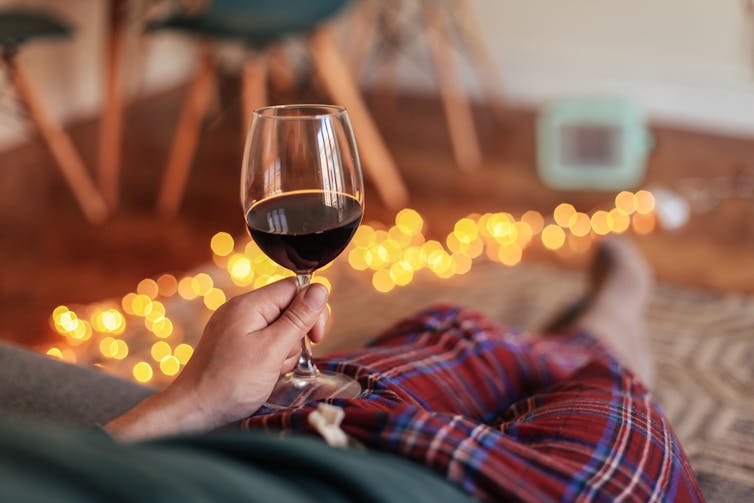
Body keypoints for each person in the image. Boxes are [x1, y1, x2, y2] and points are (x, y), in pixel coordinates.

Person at [2, 238, 705, 502]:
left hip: (301, 436)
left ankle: (572, 338)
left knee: (448, 330)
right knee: (600, 383)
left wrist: (193, 400)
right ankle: (608, 319)